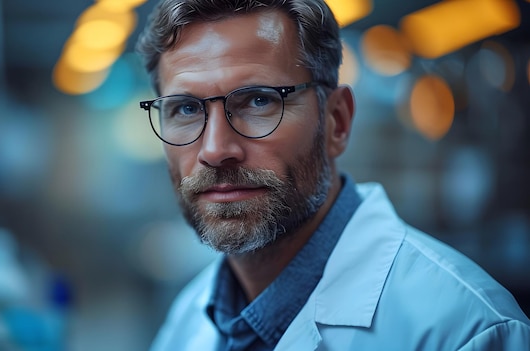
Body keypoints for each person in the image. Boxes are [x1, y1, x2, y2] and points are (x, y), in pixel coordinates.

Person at [135, 0, 530, 350]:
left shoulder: (465, 331)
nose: (216, 150)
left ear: (336, 122)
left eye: (259, 101)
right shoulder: (186, 323)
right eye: (185, 109)